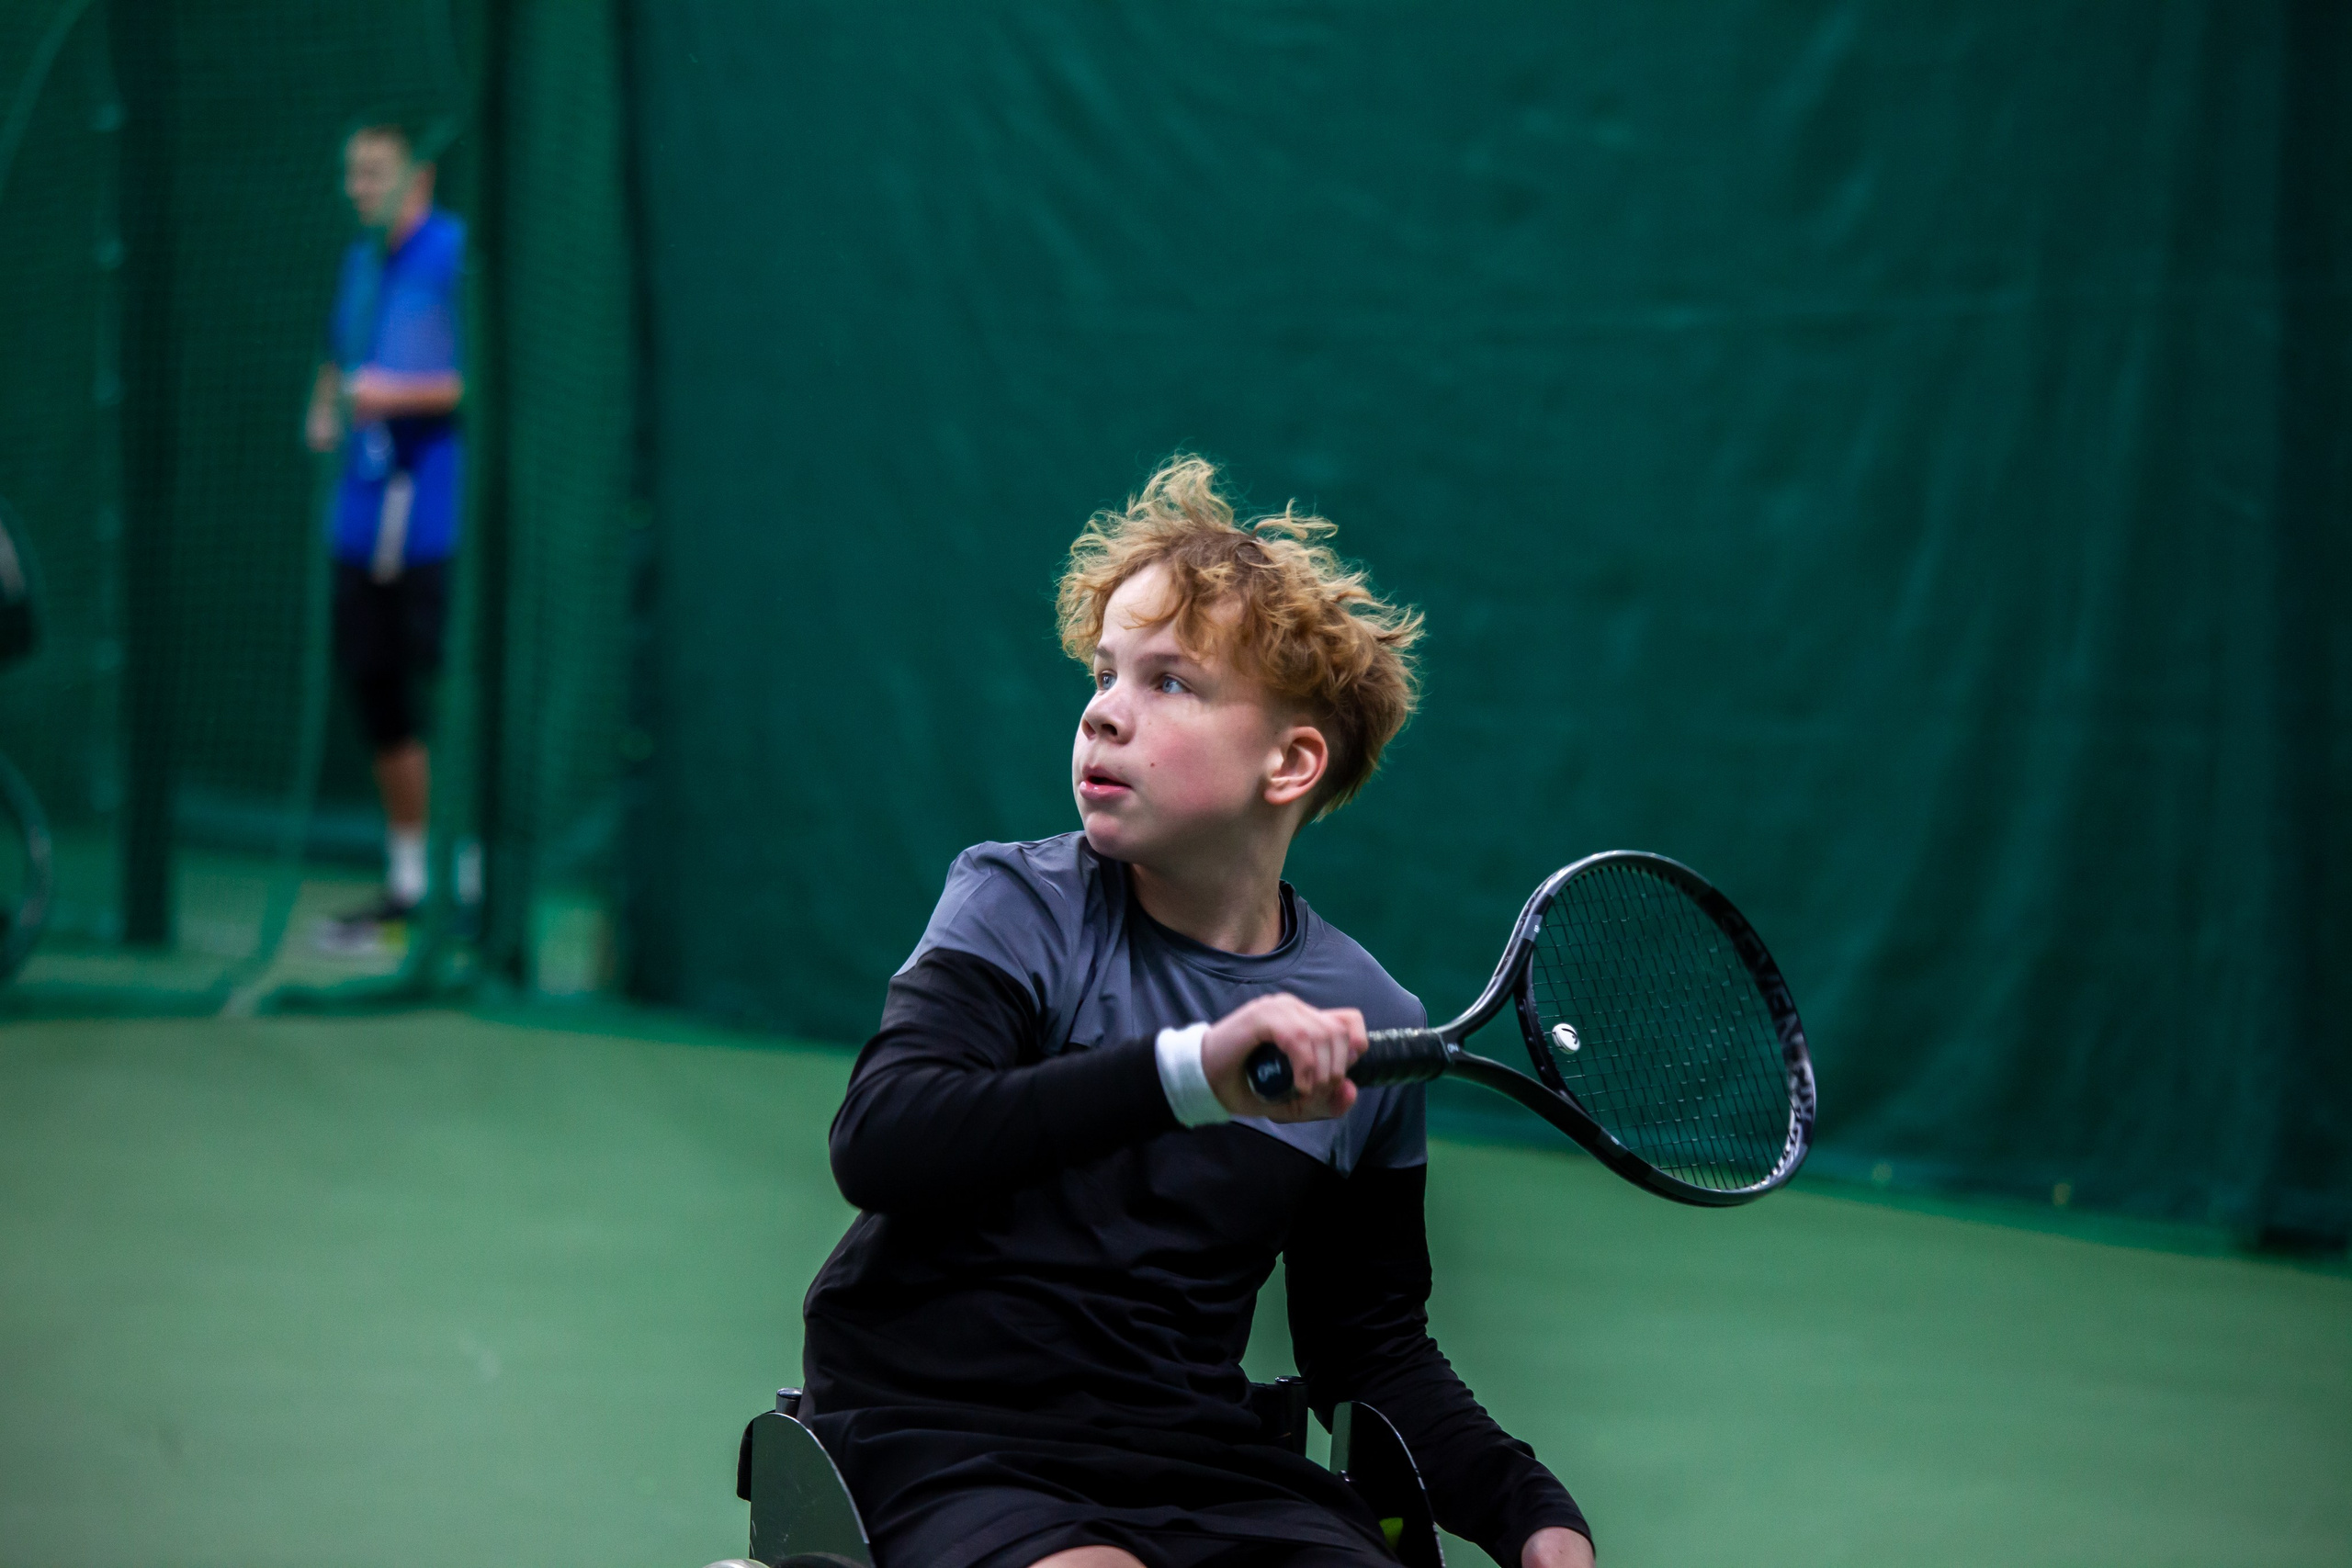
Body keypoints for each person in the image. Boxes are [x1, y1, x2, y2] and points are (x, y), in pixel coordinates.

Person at [800, 457, 1595, 1568]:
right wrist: (1190, 1075)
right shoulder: (1016, 904)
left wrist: (1531, 1511)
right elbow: (884, 1141)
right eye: (1103, 673)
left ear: (1291, 762)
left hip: (1194, 1458)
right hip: (939, 1430)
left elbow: (1368, 1348)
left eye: (1168, 682)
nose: (1103, 713)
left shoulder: (1368, 1017)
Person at [304, 120, 465, 950]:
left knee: (446, 689)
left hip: (433, 517)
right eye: (352, 172)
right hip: (360, 519)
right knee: (377, 688)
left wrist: (389, 396)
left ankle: (463, 877)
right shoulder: (359, 263)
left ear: (419, 177)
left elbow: (473, 380)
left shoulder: (456, 256)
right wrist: (325, 406)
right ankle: (411, 882)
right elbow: (340, 359)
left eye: (374, 172)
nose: (358, 187)